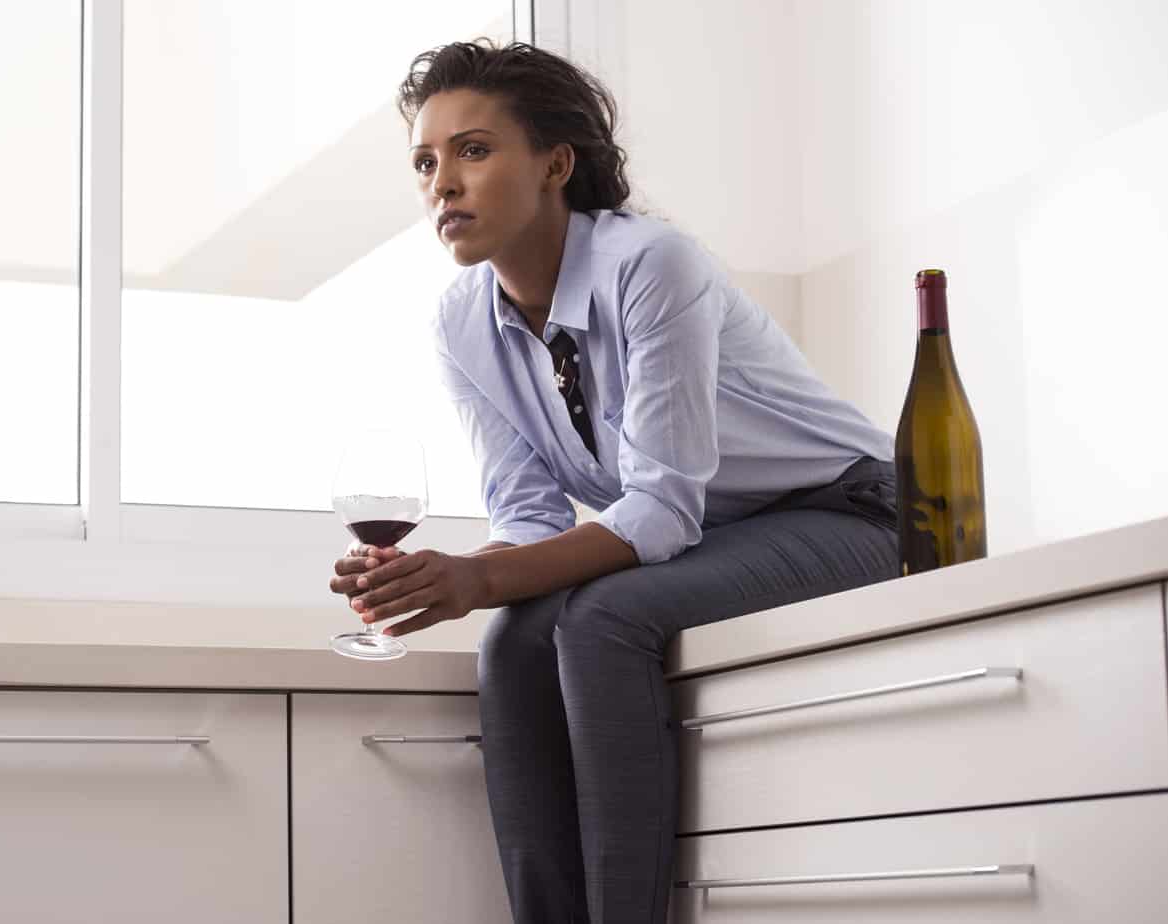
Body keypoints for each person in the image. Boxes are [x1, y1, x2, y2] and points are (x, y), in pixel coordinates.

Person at [328, 38, 900, 924]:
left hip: (853, 514)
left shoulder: (651, 264)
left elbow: (660, 509)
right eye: (425, 161)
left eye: (473, 151)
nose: (442, 183)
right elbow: (525, 515)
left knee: (602, 617)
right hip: (717, 540)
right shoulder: (460, 321)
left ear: (555, 164)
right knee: (513, 639)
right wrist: (448, 578)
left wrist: (475, 578)